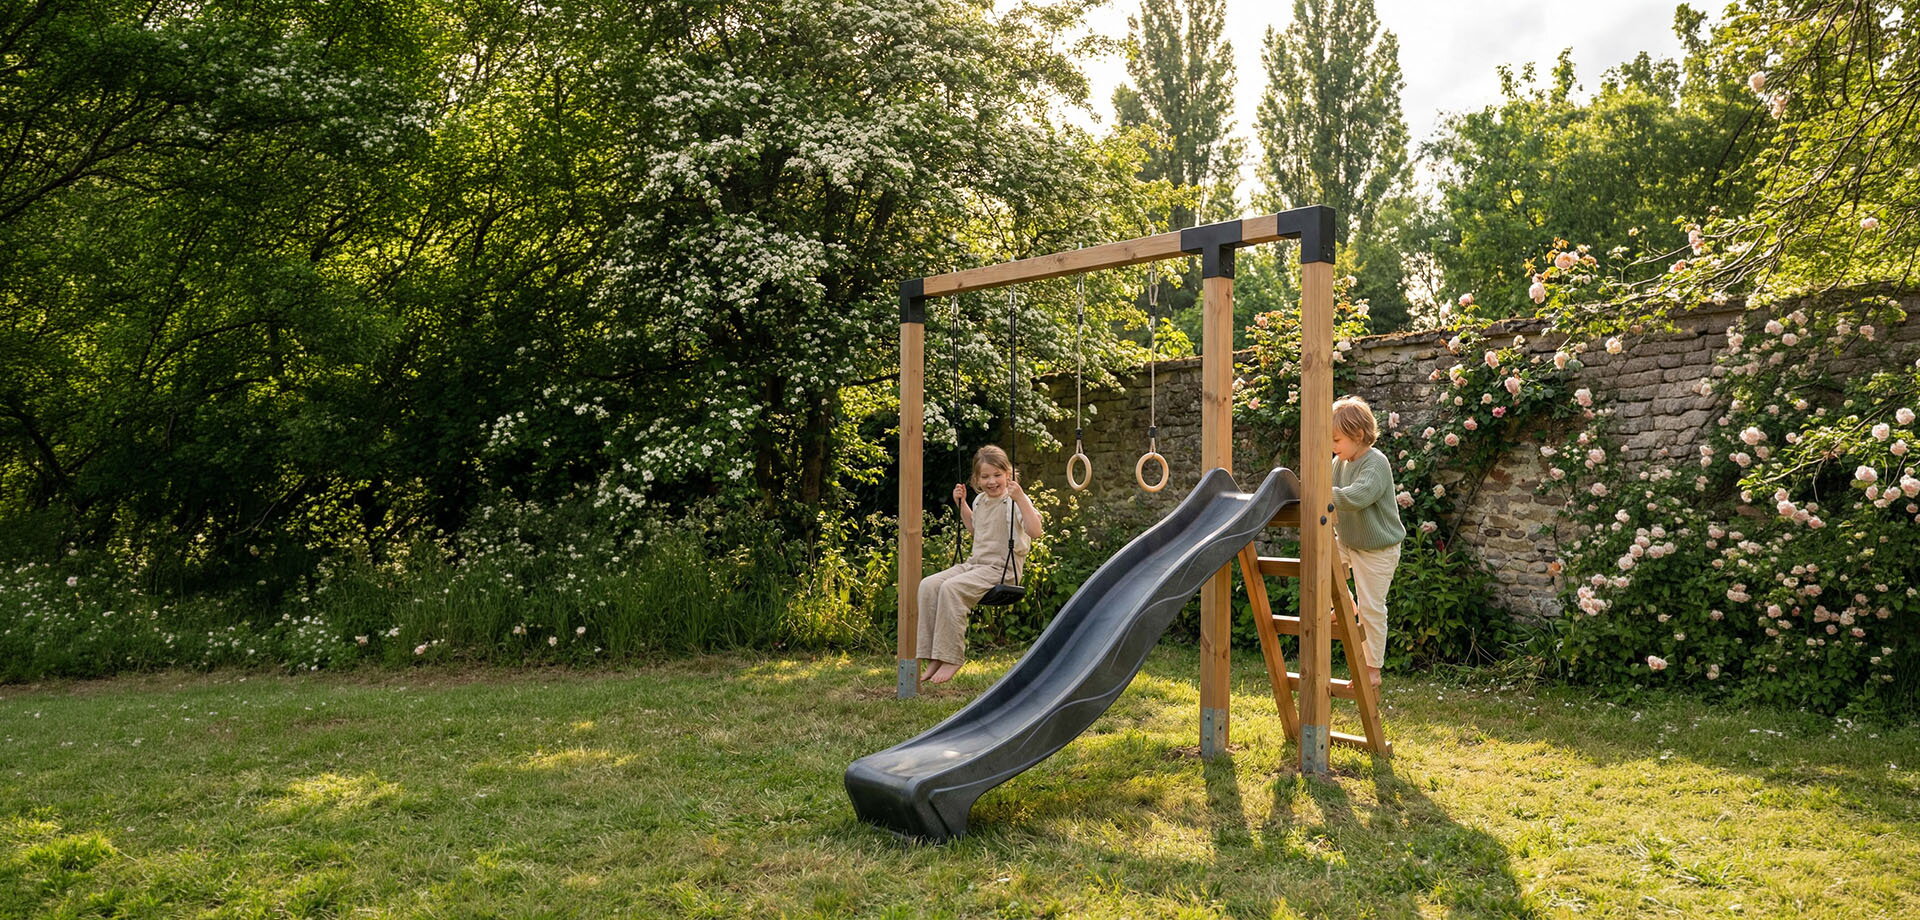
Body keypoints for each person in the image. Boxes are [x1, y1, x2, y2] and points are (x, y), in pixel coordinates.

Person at [917, 445, 1043, 684]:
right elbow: (976, 529)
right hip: (975, 565)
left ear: (1008, 474)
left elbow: (1035, 531)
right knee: (929, 585)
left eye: (997, 475)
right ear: (976, 479)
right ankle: (935, 654)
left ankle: (952, 656)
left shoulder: (1014, 501)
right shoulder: (981, 501)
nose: (991, 481)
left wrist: (1022, 497)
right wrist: (962, 504)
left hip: (1001, 571)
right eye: (985, 476)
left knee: (951, 588)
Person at [1329, 395, 1406, 688]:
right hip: (1348, 540)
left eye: (1336, 439)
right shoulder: (1339, 462)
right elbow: (1323, 485)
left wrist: (1324, 493)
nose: (1332, 446)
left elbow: (1358, 496)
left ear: (1358, 435)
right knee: (1319, 561)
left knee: (1372, 607)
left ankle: (1372, 667)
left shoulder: (1375, 463)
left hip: (1377, 549)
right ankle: (1347, 604)